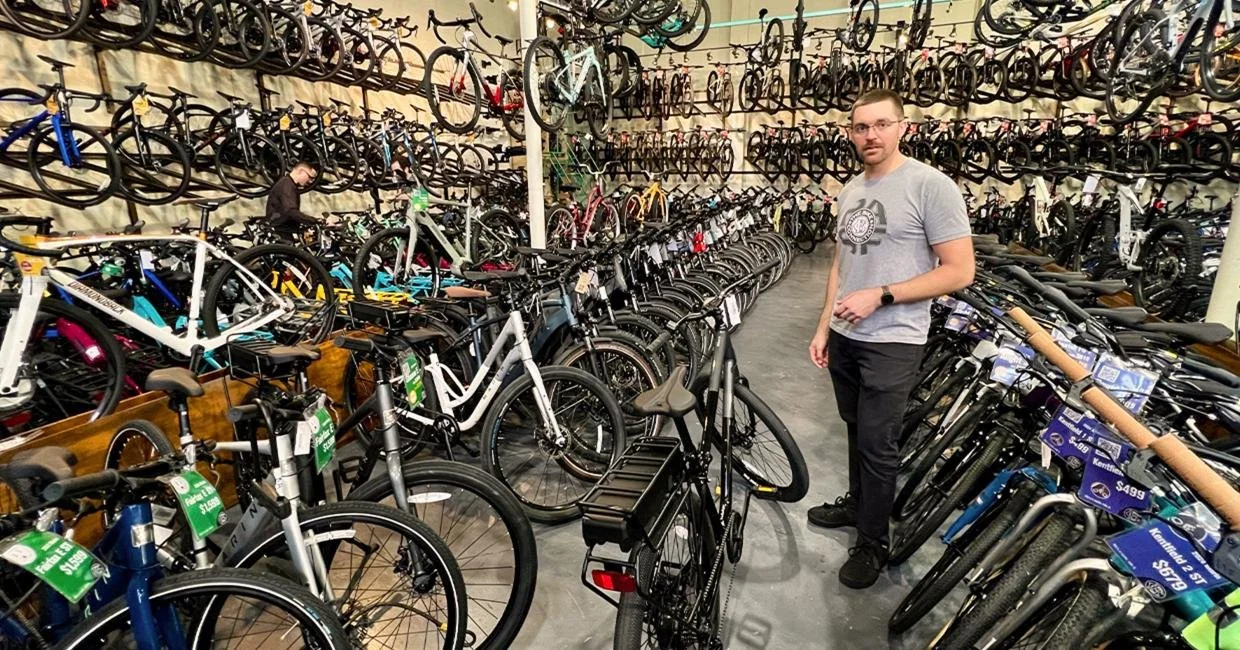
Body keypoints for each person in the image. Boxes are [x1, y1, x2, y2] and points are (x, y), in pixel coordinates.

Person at [806, 89, 975, 589]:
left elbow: (960, 271)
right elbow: (842, 264)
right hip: (846, 335)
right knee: (856, 427)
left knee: (880, 445)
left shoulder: (931, 186)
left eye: (881, 124)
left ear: (903, 127)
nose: (870, 135)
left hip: (893, 339)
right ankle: (858, 505)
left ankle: (872, 542)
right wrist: (824, 327)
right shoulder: (852, 189)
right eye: (861, 127)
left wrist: (882, 295)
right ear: (851, 133)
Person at [266, 161, 319, 240]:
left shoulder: (287, 183)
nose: (310, 181)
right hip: (281, 233)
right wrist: (315, 221)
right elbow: (291, 212)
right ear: (301, 171)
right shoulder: (287, 185)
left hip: (283, 230)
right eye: (310, 177)